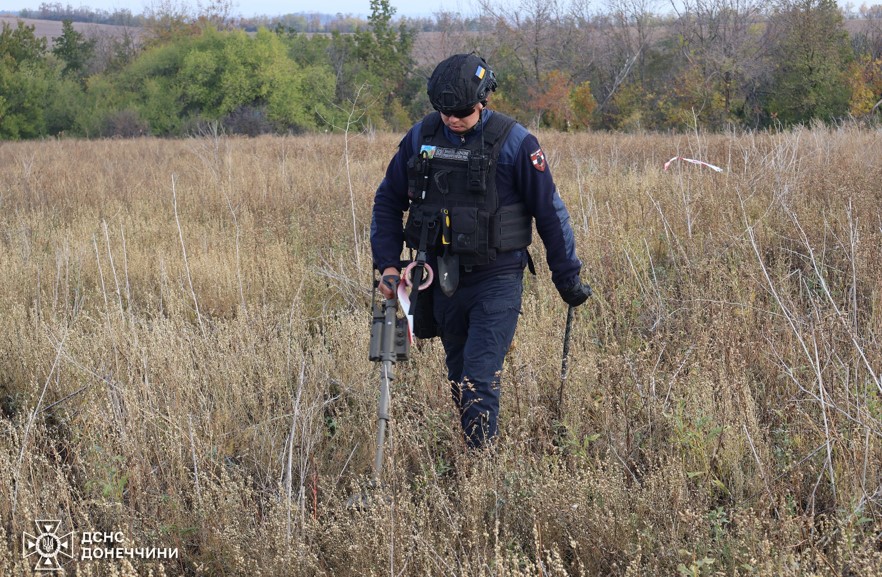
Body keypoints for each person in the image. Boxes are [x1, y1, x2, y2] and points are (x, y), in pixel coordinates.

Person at [370, 53, 592, 449]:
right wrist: (387, 265)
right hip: (442, 280)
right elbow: (387, 201)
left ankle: (482, 466)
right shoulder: (421, 138)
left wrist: (567, 276)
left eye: (462, 112)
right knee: (459, 379)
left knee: (477, 379)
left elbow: (549, 211)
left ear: (483, 100)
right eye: (445, 112)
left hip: (497, 278)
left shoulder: (516, 143)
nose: (453, 120)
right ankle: (477, 454)